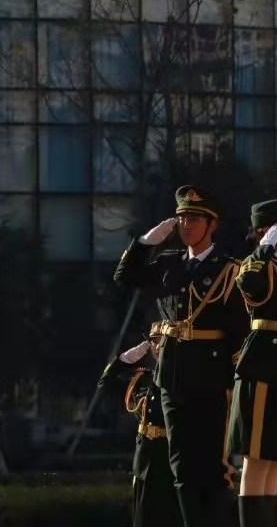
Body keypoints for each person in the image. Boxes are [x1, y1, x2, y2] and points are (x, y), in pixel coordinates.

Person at [113, 186, 248, 527]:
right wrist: (145, 242)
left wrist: (236, 383)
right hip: (171, 378)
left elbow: (238, 330)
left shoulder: (228, 269)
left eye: (194, 219)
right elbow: (124, 277)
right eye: (182, 218)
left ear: (211, 225)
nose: (186, 225)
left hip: (211, 380)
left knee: (212, 468)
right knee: (182, 468)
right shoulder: (169, 263)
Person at [227, 197, 277, 527]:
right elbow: (248, 285)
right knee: (257, 459)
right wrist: (263, 249)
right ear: (268, 230)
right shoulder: (257, 263)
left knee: (275, 459)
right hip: (263, 366)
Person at [98, 340, 182, 527]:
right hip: (145, 462)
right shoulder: (142, 379)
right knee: (142, 520)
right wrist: (125, 359)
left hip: (172, 462)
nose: (159, 347)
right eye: (155, 342)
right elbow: (105, 385)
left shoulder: (182, 379)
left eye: (164, 341)